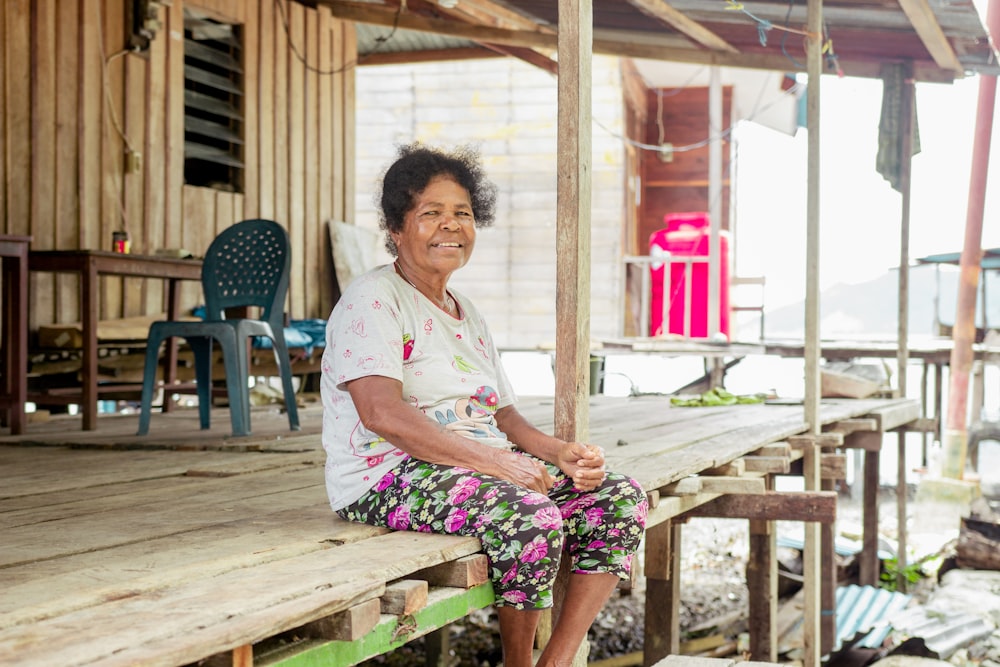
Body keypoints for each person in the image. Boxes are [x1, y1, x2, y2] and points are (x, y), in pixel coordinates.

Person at [320, 143, 648, 667]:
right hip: (385, 474)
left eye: (463, 215)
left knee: (620, 498)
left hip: (472, 469)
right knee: (531, 516)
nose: (450, 226)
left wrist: (557, 451)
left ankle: (555, 661)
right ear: (396, 229)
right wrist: (496, 463)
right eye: (431, 213)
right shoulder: (372, 301)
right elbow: (381, 412)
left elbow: (501, 414)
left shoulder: (465, 311)